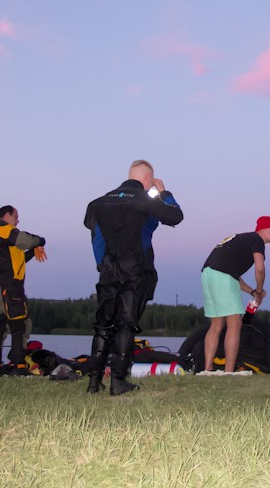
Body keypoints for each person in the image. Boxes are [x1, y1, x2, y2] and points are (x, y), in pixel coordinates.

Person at [84, 160, 183, 395]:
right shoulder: (145, 200)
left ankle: (93, 382)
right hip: (135, 268)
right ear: (148, 180)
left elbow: (96, 238)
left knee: (103, 323)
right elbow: (175, 216)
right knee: (126, 323)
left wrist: (102, 265)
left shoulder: (99, 202)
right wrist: (164, 193)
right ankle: (118, 381)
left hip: (108, 267)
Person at [200, 216, 270, 374]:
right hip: (222, 275)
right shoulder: (257, 240)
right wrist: (260, 289)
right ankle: (229, 372)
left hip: (208, 274)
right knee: (235, 323)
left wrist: (253, 292)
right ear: (266, 228)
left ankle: (207, 369)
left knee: (216, 325)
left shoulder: (241, 239)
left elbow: (234, 276)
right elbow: (260, 268)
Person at [0, 205, 47, 375]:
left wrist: (32, 254)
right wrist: (41, 241)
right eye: (15, 216)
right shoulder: (5, 231)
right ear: (6, 215)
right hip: (11, 287)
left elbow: (15, 262)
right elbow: (26, 240)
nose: (18, 220)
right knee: (20, 324)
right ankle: (19, 364)